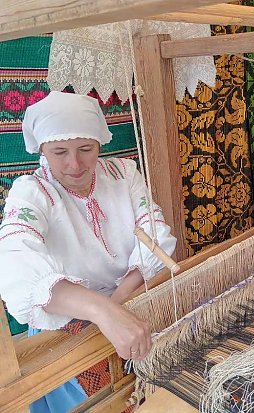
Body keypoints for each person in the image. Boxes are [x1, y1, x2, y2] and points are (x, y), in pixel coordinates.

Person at [0, 91, 177, 411]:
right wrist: (101, 311)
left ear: (100, 143)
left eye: (86, 149)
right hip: (68, 320)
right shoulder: (32, 193)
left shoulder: (123, 174)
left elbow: (154, 236)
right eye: (59, 152)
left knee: (157, 390)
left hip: (131, 298)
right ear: (42, 149)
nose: (75, 164)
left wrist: (117, 303)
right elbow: (14, 259)